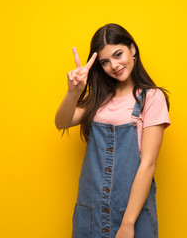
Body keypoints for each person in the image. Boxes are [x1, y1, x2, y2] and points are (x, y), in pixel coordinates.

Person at [55, 23, 170, 238]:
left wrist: (127, 223)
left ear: (132, 49)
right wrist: (73, 92)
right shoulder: (99, 98)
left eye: (118, 54)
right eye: (105, 62)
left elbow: (148, 164)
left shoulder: (152, 98)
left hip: (131, 217)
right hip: (90, 216)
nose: (114, 65)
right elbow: (61, 122)